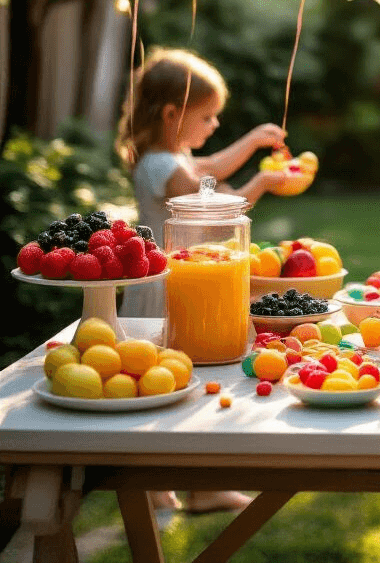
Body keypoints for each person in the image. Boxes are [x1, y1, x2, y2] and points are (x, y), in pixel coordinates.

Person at [115, 48, 286, 515]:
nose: (214, 125)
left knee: (175, 383)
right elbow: (213, 206)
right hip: (168, 293)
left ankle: (186, 484)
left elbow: (209, 167)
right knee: (172, 385)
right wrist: (262, 185)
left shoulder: (169, 154)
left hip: (172, 284)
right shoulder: (163, 167)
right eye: (207, 116)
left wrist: (253, 144)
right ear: (173, 114)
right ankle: (177, 484)